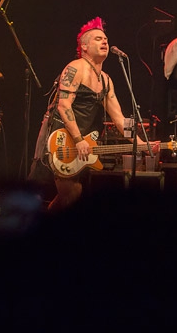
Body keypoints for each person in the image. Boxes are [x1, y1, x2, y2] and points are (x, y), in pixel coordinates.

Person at [44, 17, 158, 211]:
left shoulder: (105, 80)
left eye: (105, 39)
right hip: (63, 137)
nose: (104, 42)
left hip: (85, 142)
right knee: (72, 193)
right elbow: (64, 106)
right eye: (98, 39)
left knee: (71, 196)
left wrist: (141, 143)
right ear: (85, 46)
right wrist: (78, 139)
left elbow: (120, 119)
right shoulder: (75, 67)